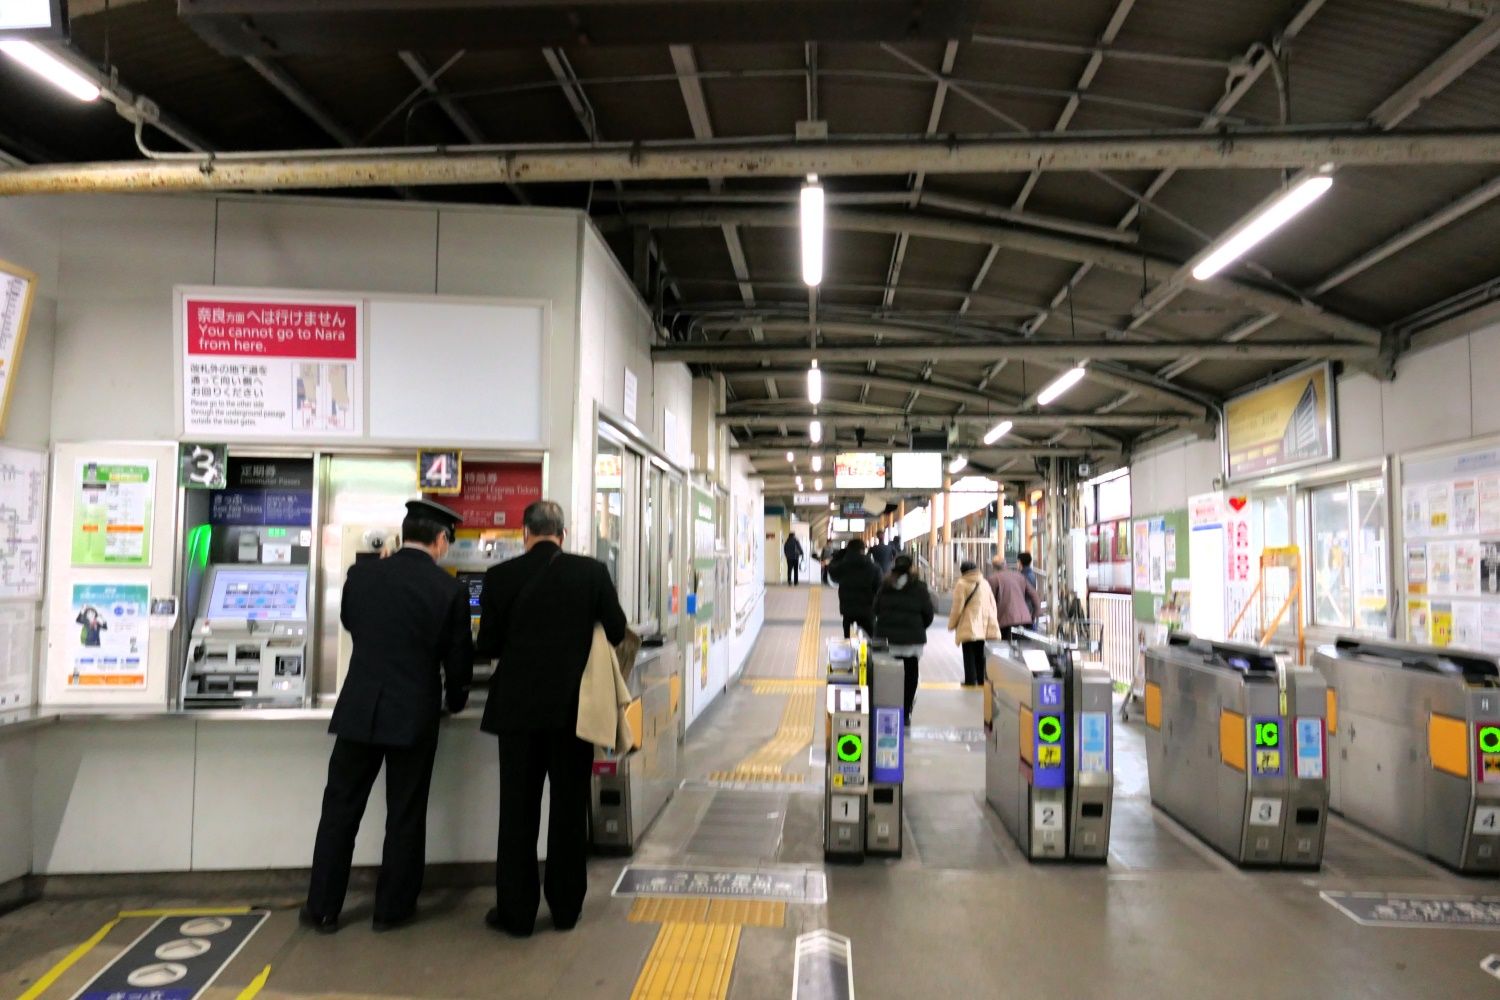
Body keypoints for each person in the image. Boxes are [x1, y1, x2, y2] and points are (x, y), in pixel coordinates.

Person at [303, 499, 473, 934]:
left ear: (403, 536)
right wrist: (455, 700)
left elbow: (349, 621)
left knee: (340, 809)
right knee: (405, 813)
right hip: (413, 713)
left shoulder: (362, 575)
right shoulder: (447, 590)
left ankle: (323, 907)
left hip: (360, 708)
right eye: (445, 543)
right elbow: (457, 660)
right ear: (438, 541)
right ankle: (391, 910)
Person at [477, 500, 627, 937]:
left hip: (518, 713)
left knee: (518, 811)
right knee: (567, 807)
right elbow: (616, 630)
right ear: (562, 533)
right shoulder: (591, 572)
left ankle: (516, 913)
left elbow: (487, 644)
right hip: (572, 713)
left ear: (526, 533)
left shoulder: (499, 577)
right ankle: (565, 908)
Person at [873, 554, 935, 727]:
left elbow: (876, 608)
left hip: (888, 640)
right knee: (911, 675)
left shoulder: (885, 586)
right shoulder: (920, 587)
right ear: (911, 568)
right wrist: (918, 627)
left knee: (889, 675)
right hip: (912, 641)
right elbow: (928, 614)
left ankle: (891, 708)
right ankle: (906, 712)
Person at [948, 560, 1000, 686]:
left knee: (968, 654)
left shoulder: (962, 584)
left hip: (968, 624)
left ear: (962, 571)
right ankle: (982, 680)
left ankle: (970, 680)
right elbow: (993, 604)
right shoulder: (984, 583)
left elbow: (957, 607)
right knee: (980, 655)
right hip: (984, 625)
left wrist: (952, 623)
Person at [828, 538, 881, 638]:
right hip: (868, 610)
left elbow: (832, 574)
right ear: (863, 549)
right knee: (870, 639)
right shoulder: (874, 567)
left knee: (849, 641)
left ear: (848, 550)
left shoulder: (843, 565)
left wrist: (838, 557)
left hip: (848, 610)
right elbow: (879, 588)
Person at [989, 555, 1039, 640]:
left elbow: (989, 601)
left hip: (1005, 622)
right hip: (1024, 619)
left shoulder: (992, 579)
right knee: (1024, 648)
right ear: (1006, 565)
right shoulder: (1019, 576)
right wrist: (1034, 615)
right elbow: (1035, 596)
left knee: (1007, 650)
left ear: (993, 567)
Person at [1017, 552, 1040, 621]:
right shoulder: (1031, 574)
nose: (1016, 564)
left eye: (1017, 561)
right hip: (1030, 608)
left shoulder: (1023, 576)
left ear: (1020, 562)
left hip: (1025, 609)